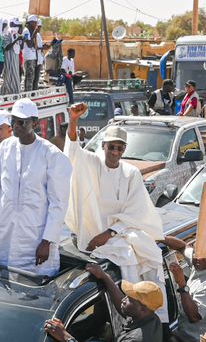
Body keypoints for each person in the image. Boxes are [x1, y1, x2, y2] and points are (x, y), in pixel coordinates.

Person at [64, 106, 165, 288]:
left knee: (152, 256)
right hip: (91, 234)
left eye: (119, 148)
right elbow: (73, 151)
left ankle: (148, 308)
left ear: (124, 149)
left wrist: (110, 233)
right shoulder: (92, 162)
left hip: (120, 233)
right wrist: (73, 121)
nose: (115, 152)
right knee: (128, 259)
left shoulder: (131, 173)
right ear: (103, 146)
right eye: (111, 147)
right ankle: (128, 306)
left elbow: (136, 211)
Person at [0, 99, 72, 278]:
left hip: (35, 242)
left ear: (35, 123)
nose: (16, 126)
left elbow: (58, 203)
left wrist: (48, 241)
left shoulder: (51, 155)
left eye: (22, 122)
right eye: (13, 120)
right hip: (3, 238)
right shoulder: (4, 149)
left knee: (33, 292)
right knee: (2, 290)